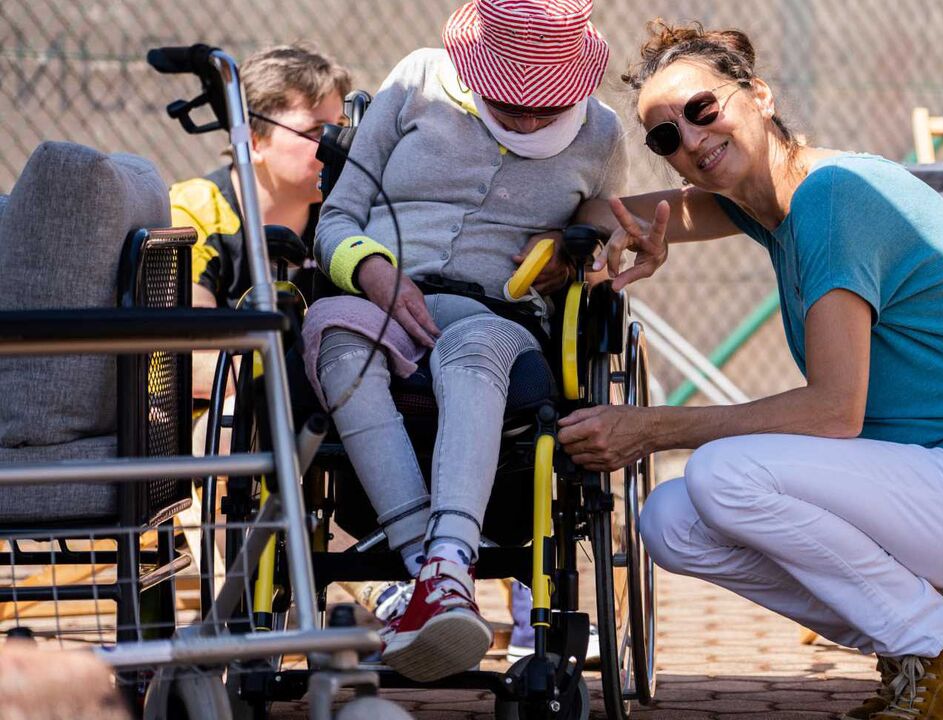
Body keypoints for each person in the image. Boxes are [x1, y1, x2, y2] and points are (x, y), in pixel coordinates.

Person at [557, 21, 943, 720]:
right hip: (933, 491)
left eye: (704, 109)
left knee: (720, 475)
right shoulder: (771, 209)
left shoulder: (832, 197)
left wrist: (649, 429)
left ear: (758, 95)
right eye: (665, 137)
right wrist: (625, 236)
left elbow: (834, 413)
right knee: (671, 521)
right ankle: (921, 635)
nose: (693, 139)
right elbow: (595, 211)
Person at [312, 0, 624, 681]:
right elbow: (335, 219)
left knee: (472, 344)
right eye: (514, 101)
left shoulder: (601, 132)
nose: (532, 119)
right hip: (377, 300)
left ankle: (445, 563)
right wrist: (374, 272)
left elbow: (602, 229)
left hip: (499, 316)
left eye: (548, 105)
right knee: (330, 336)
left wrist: (585, 246)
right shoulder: (417, 82)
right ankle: (437, 580)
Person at [169, 42, 352, 400]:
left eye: (340, 128)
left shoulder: (342, 218)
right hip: (208, 418)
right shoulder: (196, 209)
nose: (335, 145)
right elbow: (188, 356)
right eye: (316, 131)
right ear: (253, 140)